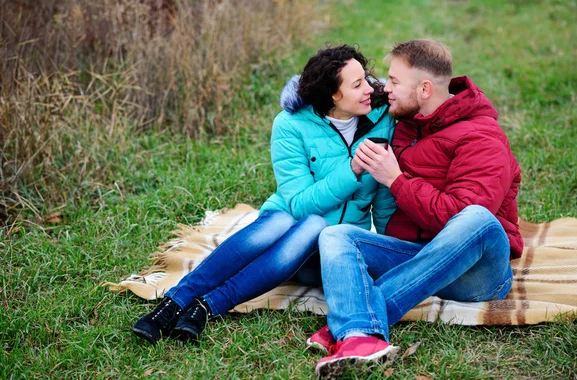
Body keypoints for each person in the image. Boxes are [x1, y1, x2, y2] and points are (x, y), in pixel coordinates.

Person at [132, 45, 397, 345]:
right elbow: (298, 203)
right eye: (357, 84)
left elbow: (385, 194)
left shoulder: (383, 120)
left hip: (331, 250)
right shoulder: (290, 125)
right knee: (285, 221)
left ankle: (209, 305)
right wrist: (351, 171)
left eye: (365, 78)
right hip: (285, 224)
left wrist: (389, 247)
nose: (369, 88)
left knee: (317, 226)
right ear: (333, 95)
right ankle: (177, 303)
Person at [311, 39, 523, 377]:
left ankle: (354, 322)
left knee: (477, 218)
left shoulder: (483, 137)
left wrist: (395, 180)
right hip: (418, 254)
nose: (384, 88)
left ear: (425, 89)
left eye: (393, 82)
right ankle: (360, 338)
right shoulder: (409, 119)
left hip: (477, 272)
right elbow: (331, 90)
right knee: (337, 236)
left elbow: (459, 219)